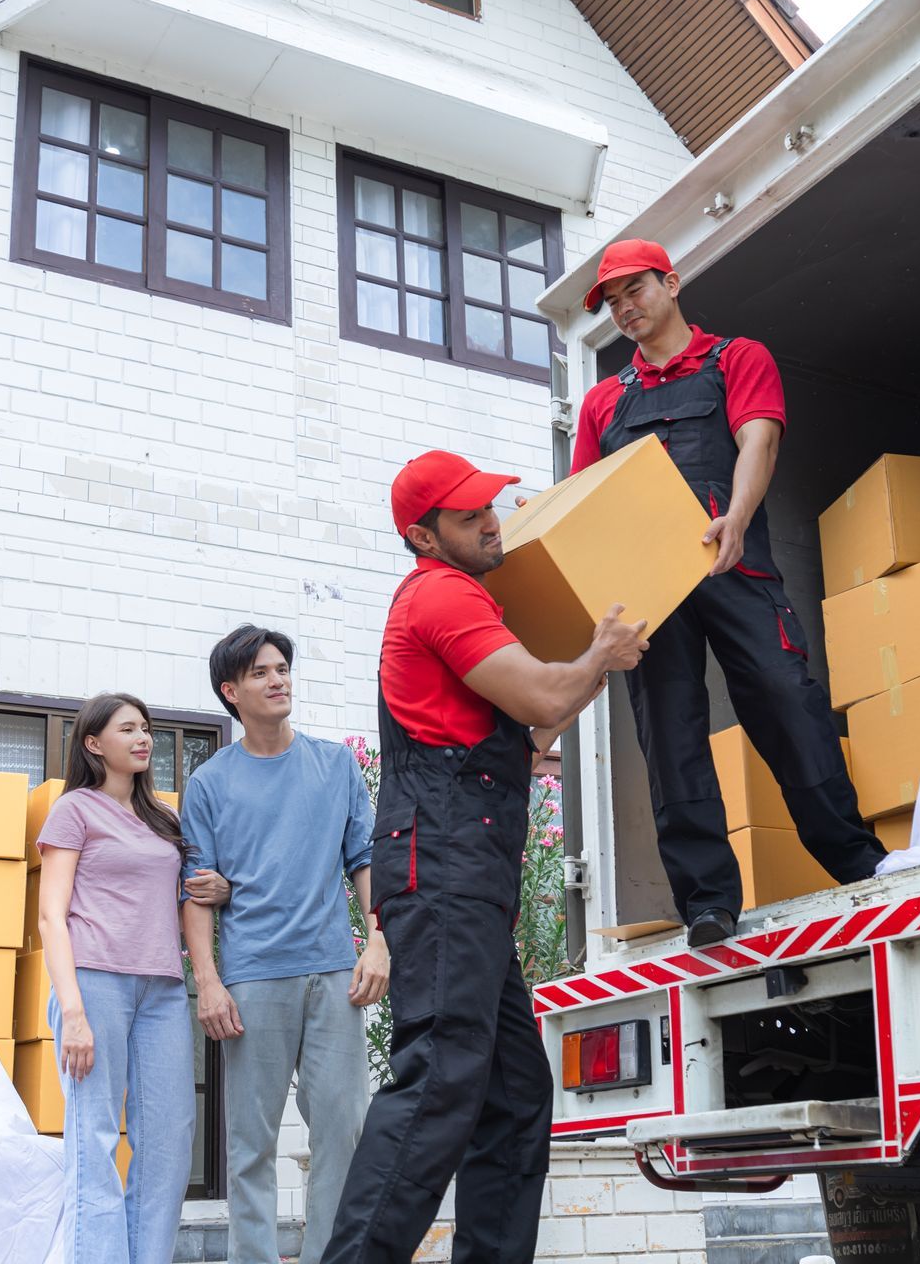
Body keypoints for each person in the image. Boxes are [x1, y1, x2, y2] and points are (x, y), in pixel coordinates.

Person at [323, 450, 649, 1264]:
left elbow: (533, 728)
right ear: (423, 536)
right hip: (444, 871)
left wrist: (590, 670)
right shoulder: (441, 595)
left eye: (490, 507)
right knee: (440, 1079)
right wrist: (593, 660)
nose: (492, 521)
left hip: (466, 874)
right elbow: (543, 697)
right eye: (469, 517)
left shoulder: (464, 596)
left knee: (510, 1093)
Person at [572, 238, 885, 948]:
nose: (625, 309)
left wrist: (737, 518)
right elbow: (582, 500)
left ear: (672, 284)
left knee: (784, 698)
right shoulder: (602, 401)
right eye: (613, 303)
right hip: (651, 589)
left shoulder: (737, 358)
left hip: (732, 565)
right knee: (672, 735)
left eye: (635, 292)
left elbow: (758, 440)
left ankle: (855, 860)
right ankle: (708, 900)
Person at [180, 624, 388, 1264]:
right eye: (261, 673)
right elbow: (195, 890)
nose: (278, 680)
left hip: (333, 973)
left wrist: (377, 943)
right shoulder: (210, 783)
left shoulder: (335, 765)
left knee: (345, 1132)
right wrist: (209, 981)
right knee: (251, 1144)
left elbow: (364, 861)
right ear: (231, 691)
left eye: (282, 669)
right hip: (252, 979)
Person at [35, 692, 226, 1264]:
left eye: (145, 727)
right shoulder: (74, 811)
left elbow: (185, 896)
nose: (143, 738)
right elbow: (52, 914)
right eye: (128, 729)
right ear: (94, 744)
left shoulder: (163, 819)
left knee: (169, 1141)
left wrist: (219, 890)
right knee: (94, 1139)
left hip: (163, 989)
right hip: (93, 985)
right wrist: (71, 1012)